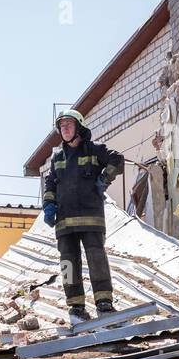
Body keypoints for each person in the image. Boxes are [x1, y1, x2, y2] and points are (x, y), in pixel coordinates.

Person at [41, 109, 124, 322]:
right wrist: (48, 204)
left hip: (91, 218)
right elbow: (50, 183)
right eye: (61, 126)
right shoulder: (57, 158)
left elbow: (117, 160)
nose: (65, 129)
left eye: (68, 124)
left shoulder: (95, 150)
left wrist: (104, 180)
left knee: (96, 258)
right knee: (68, 263)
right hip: (64, 222)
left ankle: (104, 301)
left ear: (79, 126)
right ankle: (75, 305)